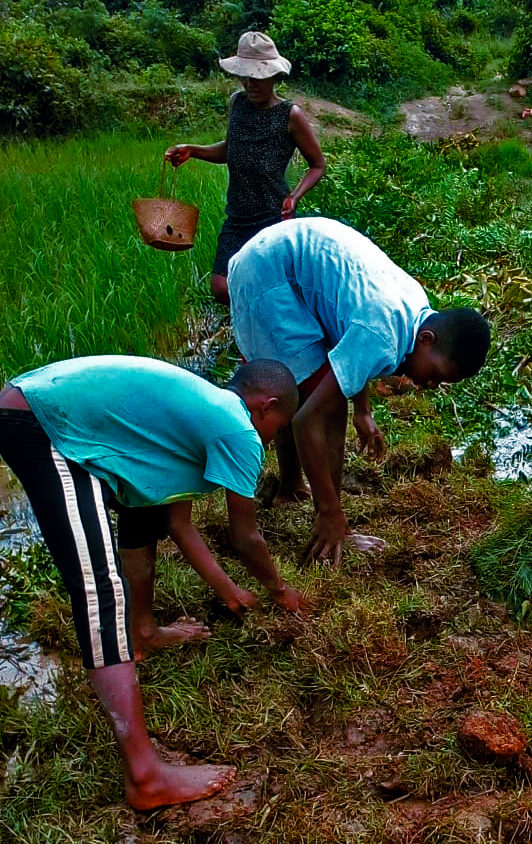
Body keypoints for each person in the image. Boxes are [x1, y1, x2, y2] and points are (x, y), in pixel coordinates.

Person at [0, 355, 306, 810]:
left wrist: (230, 592)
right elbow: (246, 537)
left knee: (142, 516)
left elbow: (176, 522)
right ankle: (145, 776)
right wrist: (280, 591)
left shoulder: (199, 414)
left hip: (38, 404)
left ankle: (142, 633)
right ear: (266, 406)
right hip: (42, 424)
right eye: (278, 427)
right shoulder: (238, 429)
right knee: (98, 588)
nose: (272, 438)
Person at [227, 218, 491, 565]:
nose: (430, 385)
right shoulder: (385, 330)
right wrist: (332, 513)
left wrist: (364, 412)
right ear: (427, 340)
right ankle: (323, 517)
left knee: (319, 391)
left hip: (281, 260)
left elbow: (351, 345)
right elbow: (308, 420)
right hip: (268, 275)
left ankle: (292, 490)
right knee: (321, 409)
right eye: (436, 375)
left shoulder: (415, 310)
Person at [165, 32, 327, 305]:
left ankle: (265, 331)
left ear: (274, 76)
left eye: (258, 76)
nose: (251, 83)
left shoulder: (291, 115)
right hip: (238, 216)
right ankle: (249, 325)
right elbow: (232, 149)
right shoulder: (237, 103)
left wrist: (294, 196)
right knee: (221, 287)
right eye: (245, 76)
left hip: (272, 216)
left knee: (271, 288)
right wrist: (194, 150)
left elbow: (317, 165)